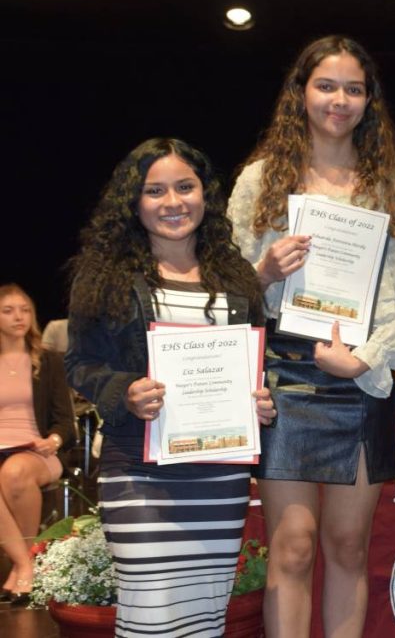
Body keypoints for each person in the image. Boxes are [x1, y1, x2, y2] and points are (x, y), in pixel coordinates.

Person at [227, 35, 395, 637]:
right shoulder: (259, 181)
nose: (339, 99)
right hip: (282, 384)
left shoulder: (390, 187)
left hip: (358, 382)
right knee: (292, 547)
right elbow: (225, 294)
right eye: (326, 85)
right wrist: (264, 274)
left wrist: (365, 358)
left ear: (369, 101)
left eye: (353, 88)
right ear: (301, 93)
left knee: (346, 548)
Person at [65, 138, 276, 638]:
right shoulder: (104, 276)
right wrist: (125, 390)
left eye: (185, 187)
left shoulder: (237, 278)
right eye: (155, 190)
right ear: (134, 202)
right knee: (151, 616)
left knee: (204, 616)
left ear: (206, 194)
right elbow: (79, 363)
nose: (173, 202)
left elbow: (253, 364)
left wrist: (260, 400)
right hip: (139, 474)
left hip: (218, 478)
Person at [0, 284, 75, 604]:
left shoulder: (50, 360)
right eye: (8, 310)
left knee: (15, 471)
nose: (19, 317)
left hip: (39, 450)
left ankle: (23, 566)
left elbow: (66, 422)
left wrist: (53, 440)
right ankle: (25, 564)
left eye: (25, 309)